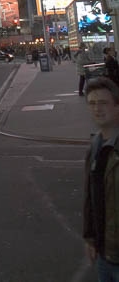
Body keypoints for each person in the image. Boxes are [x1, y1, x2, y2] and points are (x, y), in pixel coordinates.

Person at [83, 77, 119, 280]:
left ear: (117, 106)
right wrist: (90, 237)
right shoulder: (95, 145)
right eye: (92, 103)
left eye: (103, 103)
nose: (97, 108)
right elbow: (92, 196)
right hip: (104, 254)